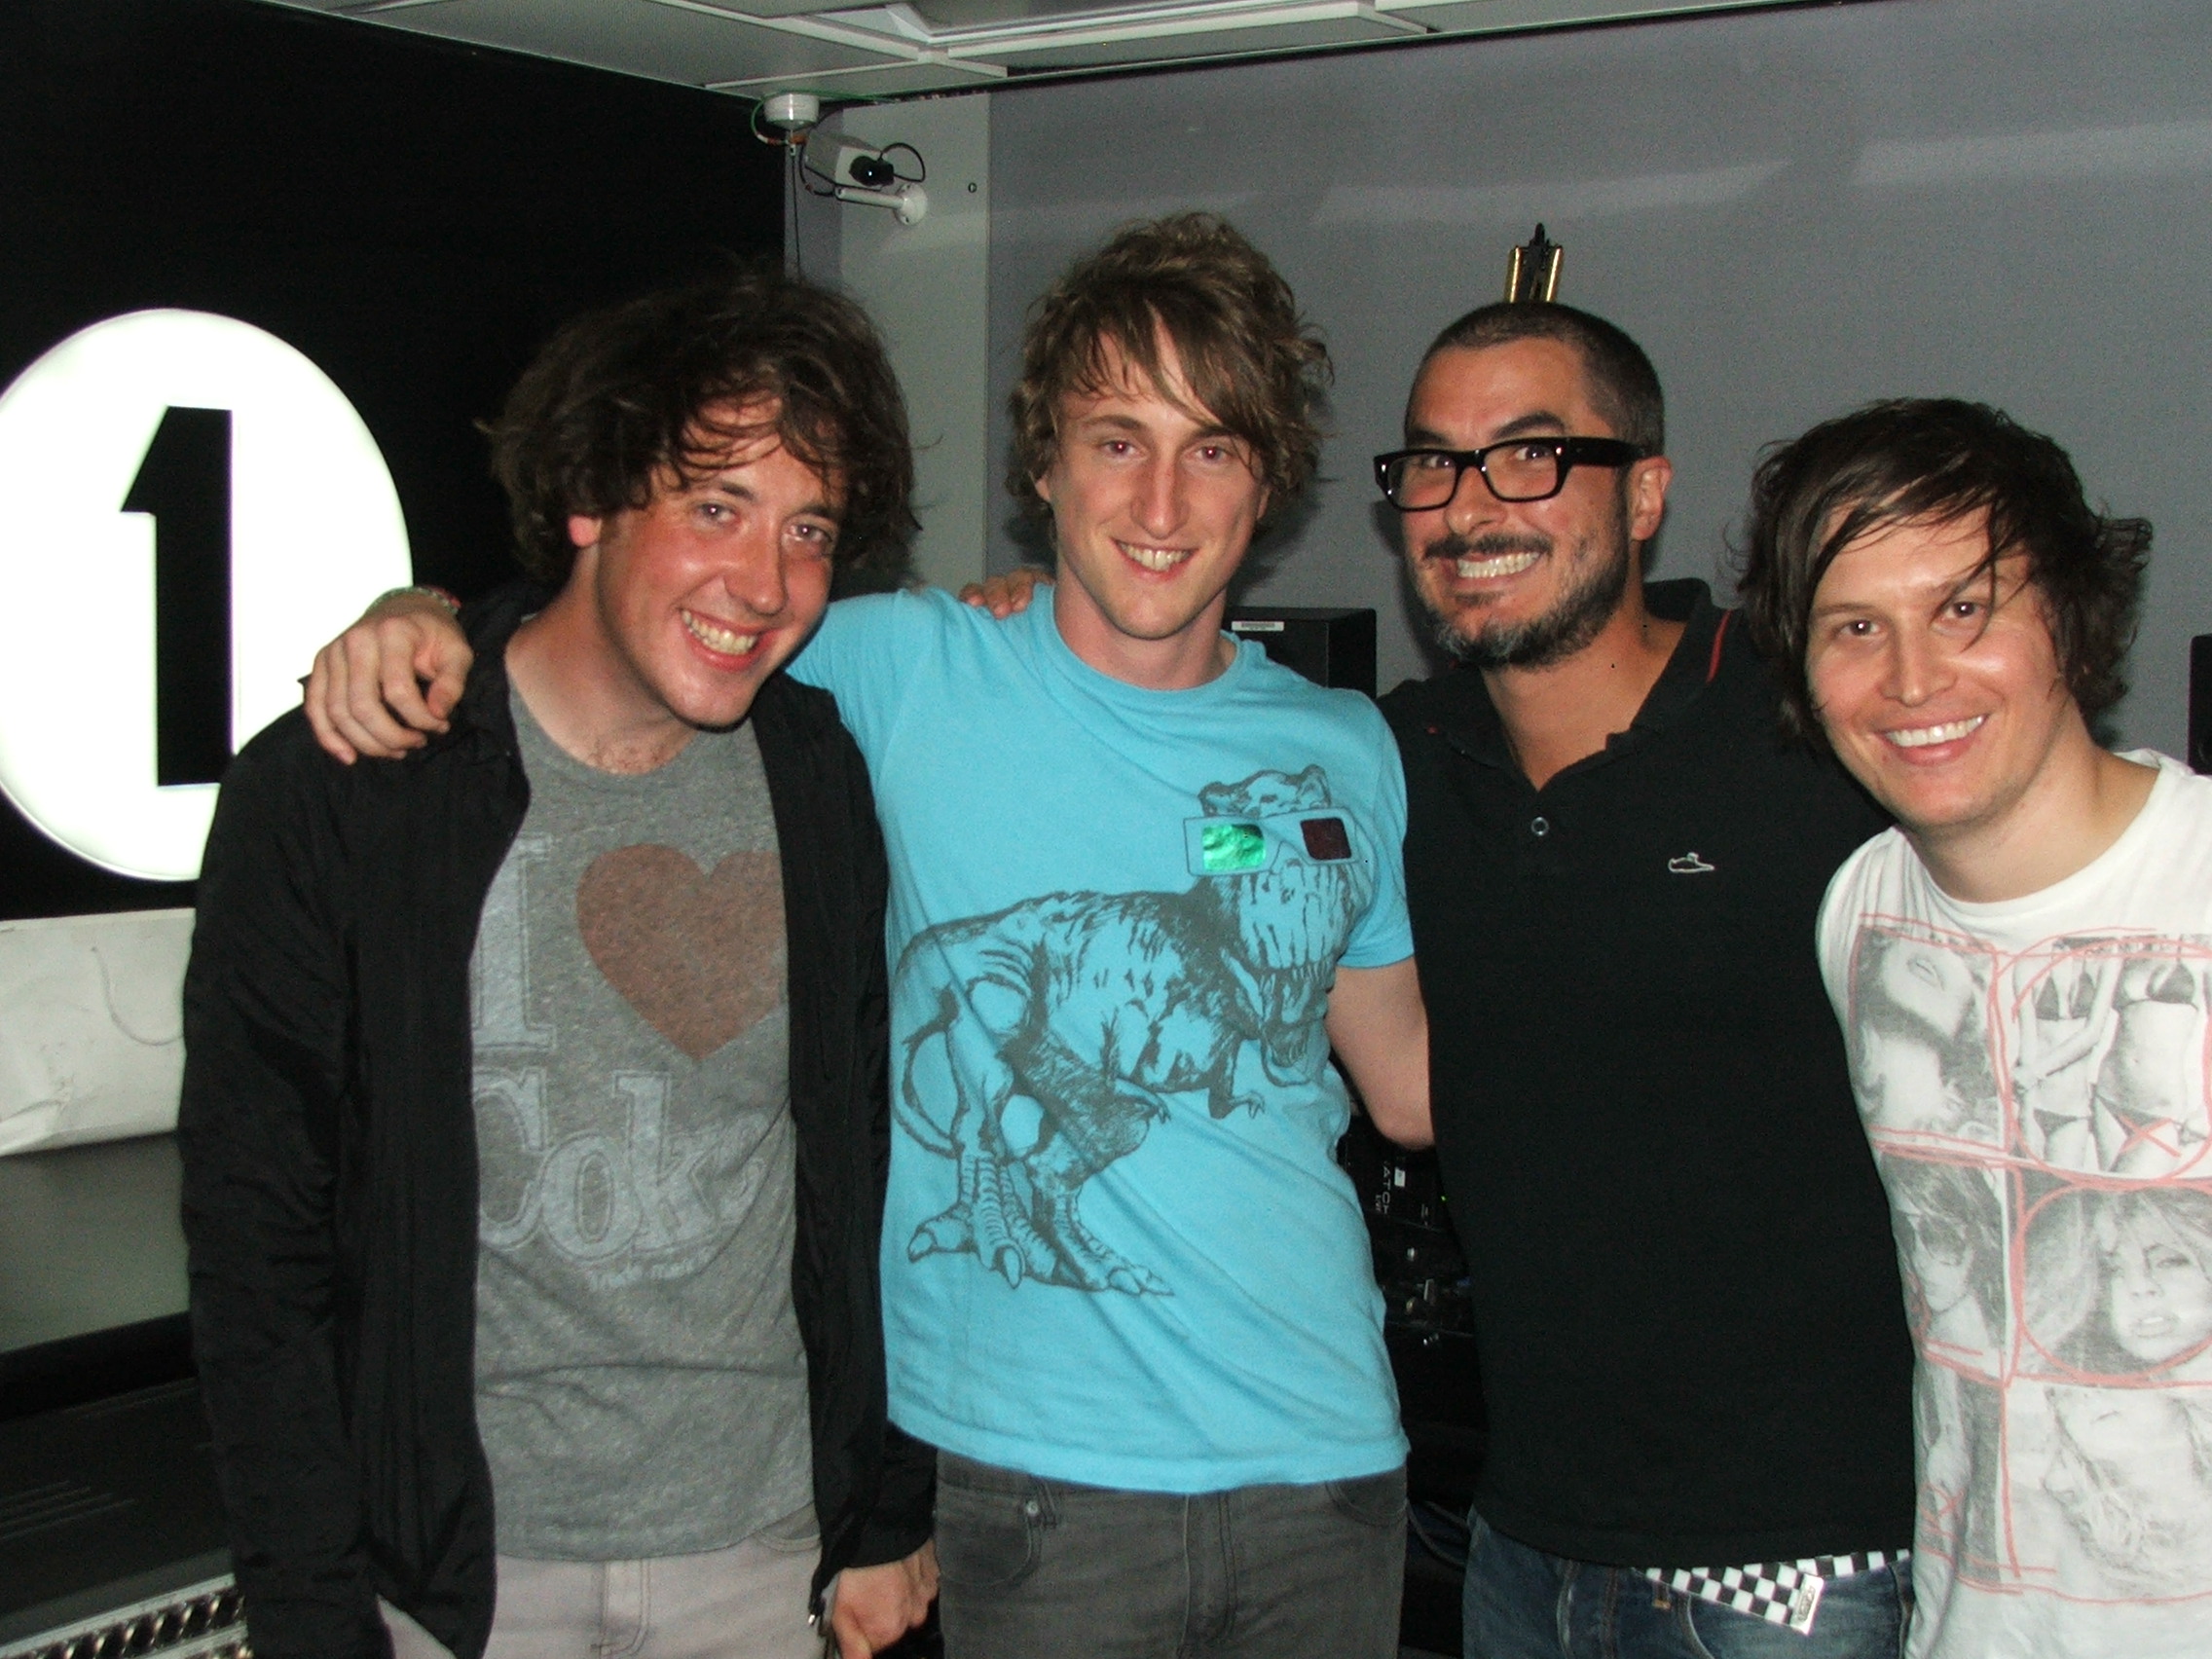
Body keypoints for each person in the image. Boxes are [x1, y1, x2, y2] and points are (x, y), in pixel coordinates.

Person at [301, 213, 1431, 1659]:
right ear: (1043, 465)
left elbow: (1406, 1085)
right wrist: (422, 615)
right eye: (1115, 439)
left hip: (1328, 1469)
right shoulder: (899, 665)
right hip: (1037, 1488)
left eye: (1211, 447)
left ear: (1265, 482)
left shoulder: (1344, 746)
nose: (1160, 498)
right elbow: (634, 612)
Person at [180, 271, 939, 1659]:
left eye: (809, 529)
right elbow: (256, 1242)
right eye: (717, 507)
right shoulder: (353, 787)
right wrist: (310, 1611)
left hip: (760, 1554)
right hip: (457, 1582)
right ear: (593, 496)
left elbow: (868, 1165)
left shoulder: (816, 774)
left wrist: (884, 1508)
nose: (766, 585)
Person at [1374, 303, 1919, 1657]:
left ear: (1646, 495)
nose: (1470, 506)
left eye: (1531, 456)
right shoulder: (1396, 758)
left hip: (1796, 1560)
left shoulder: (1809, 726)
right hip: (1524, 1543)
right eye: (1434, 463)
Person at [1739, 394, 2212, 1653]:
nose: (1912, 680)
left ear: (2072, 614)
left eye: (1964, 608)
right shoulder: (1863, 911)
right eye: (1856, 627)